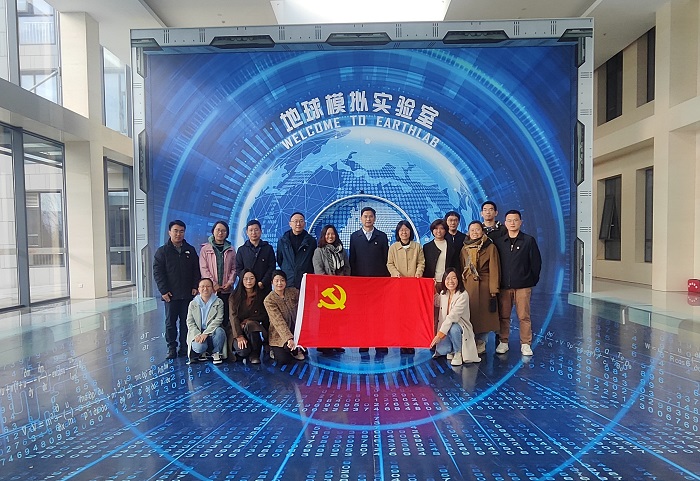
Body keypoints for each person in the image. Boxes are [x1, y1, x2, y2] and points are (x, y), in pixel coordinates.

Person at [494, 210, 542, 356]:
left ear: (521, 222)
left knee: (524, 316)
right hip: (504, 287)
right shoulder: (499, 242)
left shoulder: (528, 240)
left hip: (523, 286)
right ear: (505, 223)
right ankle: (503, 341)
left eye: (515, 220)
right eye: (509, 220)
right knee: (504, 316)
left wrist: (530, 280)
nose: (512, 223)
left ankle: (526, 344)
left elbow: (536, 262)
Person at [153, 220, 201, 359]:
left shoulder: (190, 250)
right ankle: (171, 348)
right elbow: (158, 272)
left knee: (187, 322)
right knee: (170, 323)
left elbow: (196, 270)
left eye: (181, 231)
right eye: (175, 231)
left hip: (187, 294)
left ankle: (184, 347)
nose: (178, 234)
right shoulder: (162, 251)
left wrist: (195, 286)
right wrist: (163, 291)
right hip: (170, 295)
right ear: (169, 232)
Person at [349, 206, 389, 353]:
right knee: (363, 314)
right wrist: (354, 281)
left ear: (375, 218)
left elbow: (386, 260)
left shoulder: (382, 236)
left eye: (371, 216)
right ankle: (363, 342)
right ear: (361, 218)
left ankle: (380, 342)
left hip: (379, 283)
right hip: (361, 283)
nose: (368, 219)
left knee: (379, 313)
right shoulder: (354, 237)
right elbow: (352, 260)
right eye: (365, 216)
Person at [461, 220, 501, 355]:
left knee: (485, 317)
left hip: (485, 285)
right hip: (468, 286)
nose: (475, 232)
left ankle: (482, 342)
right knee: (470, 314)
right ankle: (470, 341)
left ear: (482, 231)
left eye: (477, 229)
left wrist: (493, 289)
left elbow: (494, 268)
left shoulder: (490, 247)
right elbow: (462, 267)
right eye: (472, 230)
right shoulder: (464, 248)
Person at [387, 220, 425, 355]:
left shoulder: (417, 247)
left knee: (412, 315)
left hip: (413, 286)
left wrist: (418, 274)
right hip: (398, 286)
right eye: (401, 230)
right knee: (401, 315)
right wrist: (395, 273)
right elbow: (389, 264)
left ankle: (411, 342)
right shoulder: (393, 247)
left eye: (406, 230)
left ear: (410, 231)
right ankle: (403, 342)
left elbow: (421, 262)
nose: (404, 232)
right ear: (398, 233)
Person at [429, 268, 480, 366]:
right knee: (444, 350)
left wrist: (439, 335)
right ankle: (452, 350)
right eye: (447, 278)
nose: (450, 281)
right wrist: (432, 286)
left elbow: (452, 317)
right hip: (446, 327)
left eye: (454, 278)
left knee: (453, 327)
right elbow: (437, 302)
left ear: (458, 279)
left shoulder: (463, 295)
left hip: (459, 326)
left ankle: (458, 353)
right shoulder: (444, 293)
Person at [312, 224, 349, 354]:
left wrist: (345, 279)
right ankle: (324, 345)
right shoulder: (319, 251)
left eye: (332, 234)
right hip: (326, 290)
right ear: (323, 236)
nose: (330, 236)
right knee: (325, 318)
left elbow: (347, 267)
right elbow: (318, 270)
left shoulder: (341, 251)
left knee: (337, 318)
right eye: (327, 234)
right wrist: (330, 282)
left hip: (340, 289)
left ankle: (336, 343)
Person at [199, 220, 236, 330]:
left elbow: (234, 268)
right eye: (218, 230)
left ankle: (225, 339)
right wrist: (213, 284)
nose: (220, 233)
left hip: (226, 290)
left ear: (227, 233)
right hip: (210, 291)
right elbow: (204, 269)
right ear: (213, 231)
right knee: (210, 318)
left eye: (223, 231)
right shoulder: (205, 249)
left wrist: (230, 282)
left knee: (225, 317)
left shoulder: (231, 249)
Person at [264, 270, 305, 364]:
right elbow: (278, 321)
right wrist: (288, 338)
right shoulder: (269, 300)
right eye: (277, 281)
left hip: (295, 329)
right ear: (272, 282)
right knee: (283, 360)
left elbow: (305, 298)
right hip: (279, 333)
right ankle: (273, 349)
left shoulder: (293, 292)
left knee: (299, 353)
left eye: (282, 280)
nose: (279, 283)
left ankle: (294, 350)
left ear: (286, 282)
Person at [228, 269, 268, 364]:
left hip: (252, 329)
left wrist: (248, 321)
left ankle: (255, 354)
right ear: (241, 280)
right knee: (243, 351)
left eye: (251, 278)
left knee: (251, 325)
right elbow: (233, 317)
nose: (249, 281)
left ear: (256, 279)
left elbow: (264, 315)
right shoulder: (234, 296)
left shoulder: (261, 295)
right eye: (245, 279)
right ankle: (241, 350)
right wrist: (239, 336)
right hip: (236, 329)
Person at [185, 278, 227, 365]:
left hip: (212, 331)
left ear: (212, 288)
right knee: (199, 347)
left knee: (220, 331)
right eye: (202, 286)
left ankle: (216, 353)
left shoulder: (219, 302)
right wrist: (197, 334)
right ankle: (202, 353)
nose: (205, 289)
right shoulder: (193, 303)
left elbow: (218, 319)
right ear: (198, 289)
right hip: (198, 332)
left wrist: (206, 333)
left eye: (208, 286)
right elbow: (190, 322)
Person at [276, 212, 316, 289]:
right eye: (295, 221)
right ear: (290, 224)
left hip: (305, 280)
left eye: (301, 221)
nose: (298, 224)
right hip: (288, 280)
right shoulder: (283, 241)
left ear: (304, 224)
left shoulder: (311, 241)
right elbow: (279, 259)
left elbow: (313, 261)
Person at [235, 219, 276, 292]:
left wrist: (263, 282)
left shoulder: (268, 248)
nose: (253, 233)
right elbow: (238, 268)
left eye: (256, 230)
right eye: (251, 230)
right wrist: (247, 281)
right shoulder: (241, 250)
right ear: (247, 232)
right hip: (247, 288)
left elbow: (272, 267)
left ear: (261, 231)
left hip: (264, 287)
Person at [423, 218, 460, 293]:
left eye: (441, 228)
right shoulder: (427, 247)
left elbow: (456, 265)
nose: (438, 231)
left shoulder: (452, 247)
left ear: (445, 230)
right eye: (436, 228)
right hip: (432, 282)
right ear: (432, 230)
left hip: (448, 283)